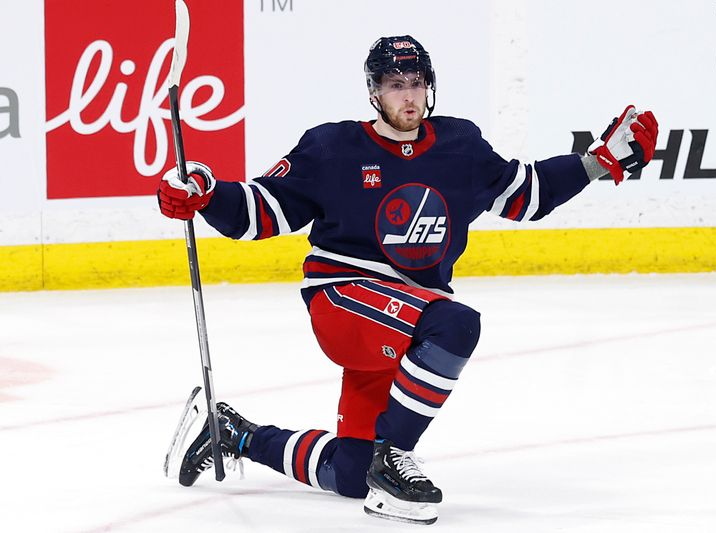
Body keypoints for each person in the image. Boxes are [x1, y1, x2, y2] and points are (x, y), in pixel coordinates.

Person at [157, 35, 658, 525]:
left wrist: (598, 162)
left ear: (429, 87)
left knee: (352, 476)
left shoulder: (460, 146)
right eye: (395, 83)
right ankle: (394, 457)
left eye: (416, 82)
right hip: (345, 298)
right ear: (374, 92)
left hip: (407, 316)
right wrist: (205, 191)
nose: (408, 95)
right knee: (456, 326)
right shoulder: (334, 148)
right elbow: (260, 212)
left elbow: (525, 194)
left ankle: (235, 434)